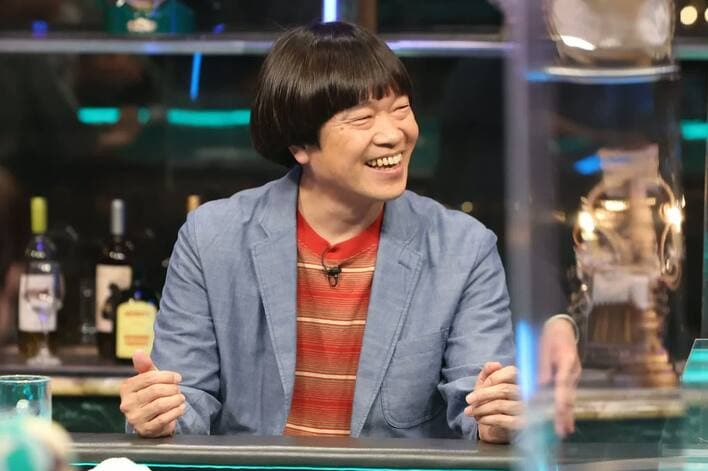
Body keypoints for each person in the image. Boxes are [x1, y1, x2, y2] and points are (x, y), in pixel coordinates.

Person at [119, 21, 579, 443]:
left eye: (401, 109)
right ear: (300, 144)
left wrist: (498, 419)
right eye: (362, 119)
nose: (393, 134)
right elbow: (187, 398)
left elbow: (476, 401)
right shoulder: (212, 238)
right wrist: (158, 413)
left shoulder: (464, 249)